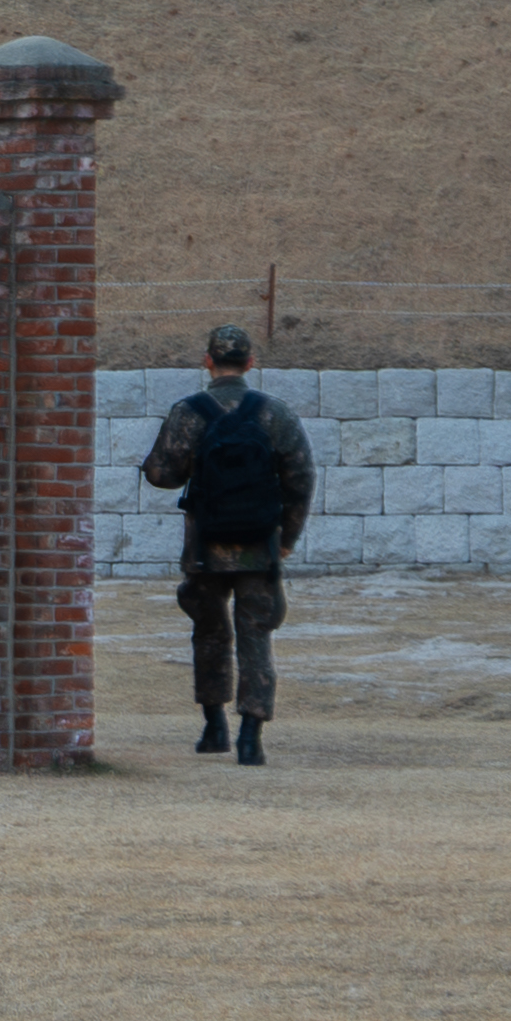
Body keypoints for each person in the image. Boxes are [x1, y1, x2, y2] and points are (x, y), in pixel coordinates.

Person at [138, 323, 315, 764]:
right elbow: (300, 479)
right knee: (256, 637)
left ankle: (214, 726)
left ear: (208, 361)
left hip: (205, 548)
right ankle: (251, 737)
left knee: (209, 634)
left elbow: (162, 475)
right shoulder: (275, 413)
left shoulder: (189, 412)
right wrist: (287, 538)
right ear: (250, 363)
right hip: (259, 547)